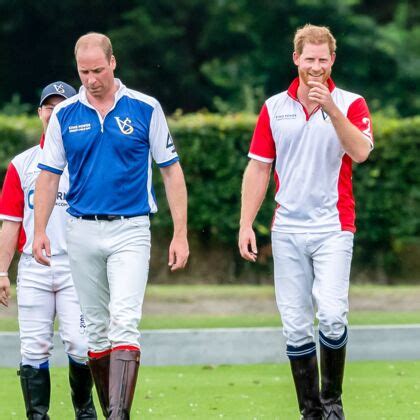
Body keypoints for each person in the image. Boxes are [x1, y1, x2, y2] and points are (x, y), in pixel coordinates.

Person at [32, 32, 189, 419]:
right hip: (81, 230)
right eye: (84, 72)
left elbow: (171, 172)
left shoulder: (145, 108)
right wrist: (38, 231)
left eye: (98, 70)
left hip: (130, 229)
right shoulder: (65, 114)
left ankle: (118, 416)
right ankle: (112, 412)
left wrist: (180, 233)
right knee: (96, 332)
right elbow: (49, 176)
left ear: (113, 63)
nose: (91, 79)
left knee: (124, 321)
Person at [238, 24, 373, 419]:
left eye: (323, 60)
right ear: (296, 58)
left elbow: (362, 152)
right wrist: (246, 223)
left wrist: (330, 108)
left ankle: (332, 405)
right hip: (287, 230)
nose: (316, 67)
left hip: (334, 226)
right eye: (309, 59)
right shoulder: (273, 107)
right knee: (296, 327)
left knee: (332, 315)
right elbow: (259, 168)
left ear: (333, 61)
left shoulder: (351, 103)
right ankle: (311, 412)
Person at [0, 82, 97, 419]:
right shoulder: (22, 163)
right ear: (40, 112)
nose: (54, 112)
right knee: (33, 347)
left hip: (77, 267)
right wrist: (1, 271)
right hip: (34, 267)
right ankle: (37, 416)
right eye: (48, 106)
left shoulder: (89, 159)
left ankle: (85, 411)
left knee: (82, 345)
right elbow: (10, 223)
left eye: (62, 106)